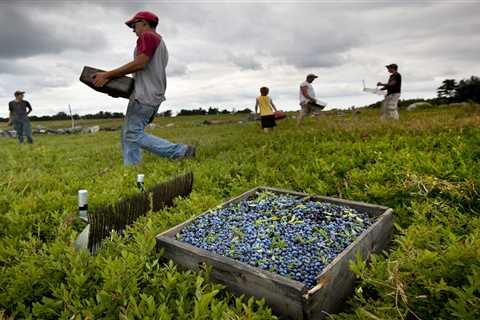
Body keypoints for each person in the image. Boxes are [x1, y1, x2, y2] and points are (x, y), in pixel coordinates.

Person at [93, 11, 195, 166]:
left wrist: (108, 75)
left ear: (144, 23)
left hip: (145, 96)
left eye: (134, 26)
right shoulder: (160, 43)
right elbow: (146, 73)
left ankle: (180, 151)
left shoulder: (147, 36)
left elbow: (140, 64)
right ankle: (132, 167)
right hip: (149, 94)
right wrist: (118, 89)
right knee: (128, 133)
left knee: (132, 134)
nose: (133, 30)